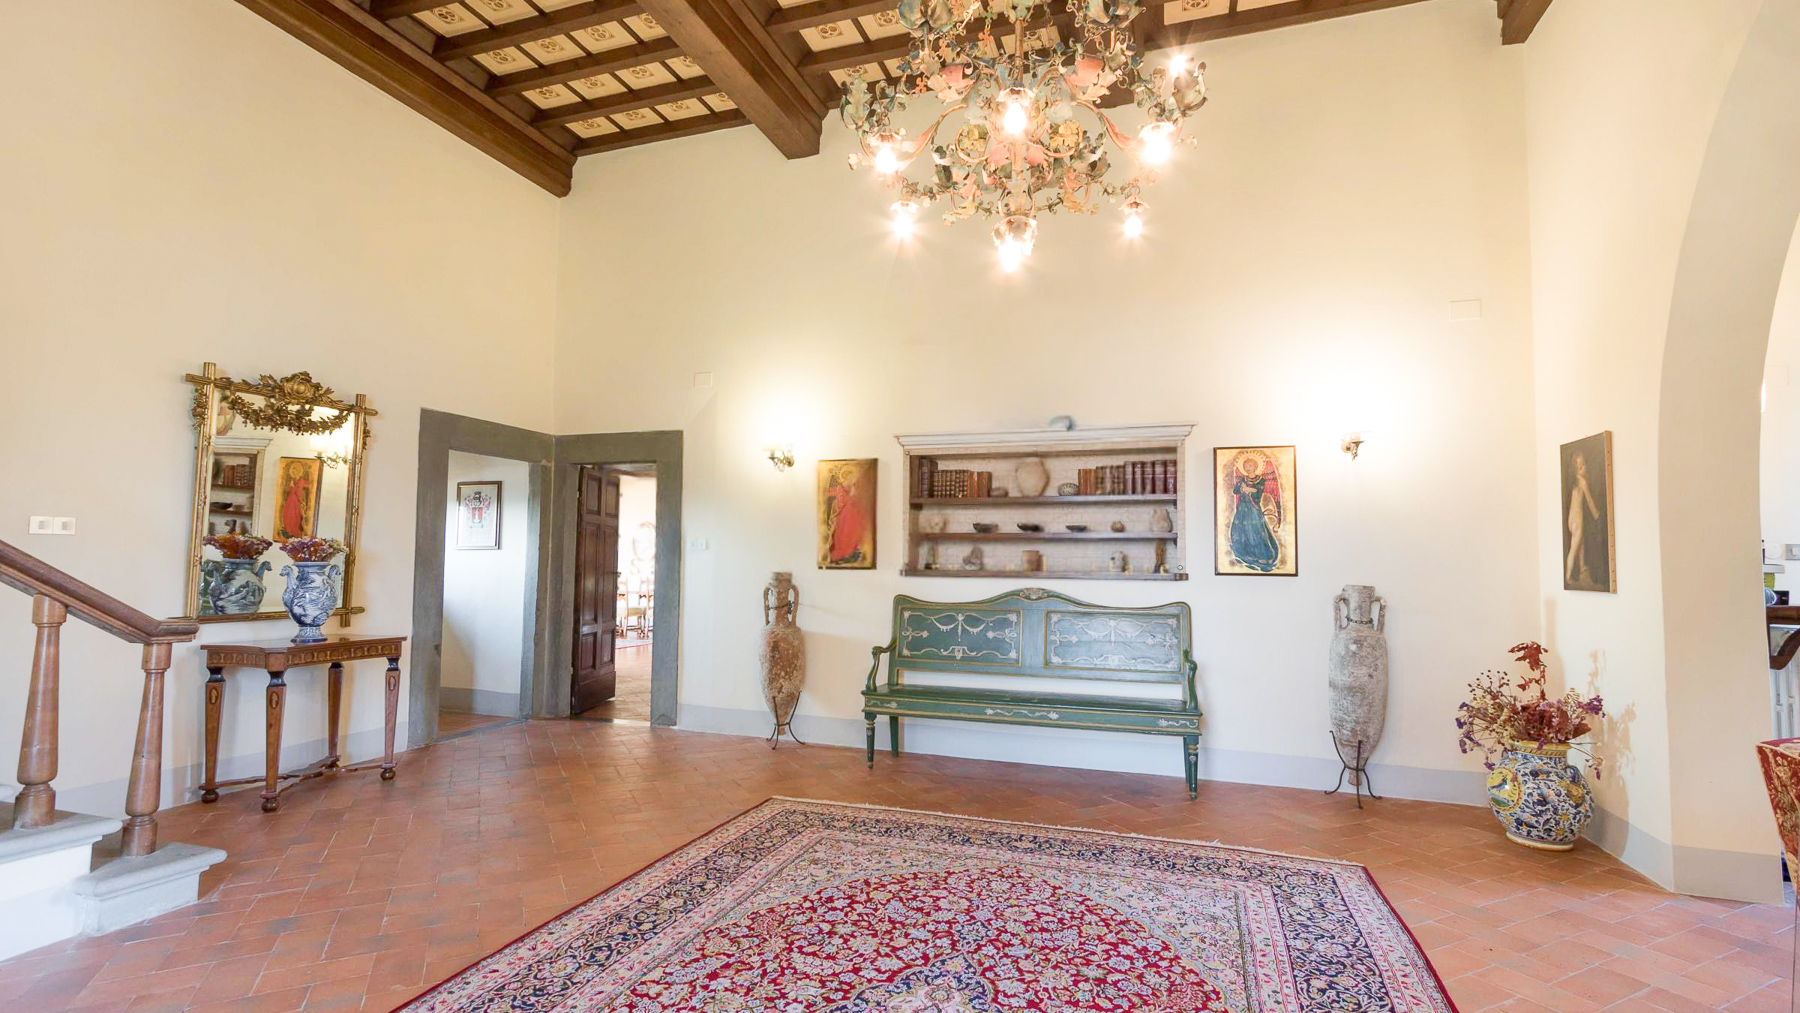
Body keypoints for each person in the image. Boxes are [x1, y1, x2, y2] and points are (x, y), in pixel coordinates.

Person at [1228, 453, 1281, 572]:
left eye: (1250, 466)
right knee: (1241, 530)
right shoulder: (1243, 479)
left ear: (1255, 467)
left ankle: (1265, 556)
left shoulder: (1260, 480)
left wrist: (1247, 489)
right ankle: (1247, 554)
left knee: (1257, 531)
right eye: (1246, 466)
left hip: (1253, 507)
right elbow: (1236, 490)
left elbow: (1258, 491)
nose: (1248, 468)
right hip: (1243, 508)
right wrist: (1243, 488)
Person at [1565, 451, 1600, 586]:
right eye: (1580, 467)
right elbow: (1589, 500)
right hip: (1577, 521)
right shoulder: (1583, 482)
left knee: (1581, 542)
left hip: (1571, 520)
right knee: (1574, 549)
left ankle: (1582, 566)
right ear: (1576, 471)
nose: (1584, 468)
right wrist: (1596, 513)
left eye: (1584, 465)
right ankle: (1567, 577)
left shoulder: (1575, 482)